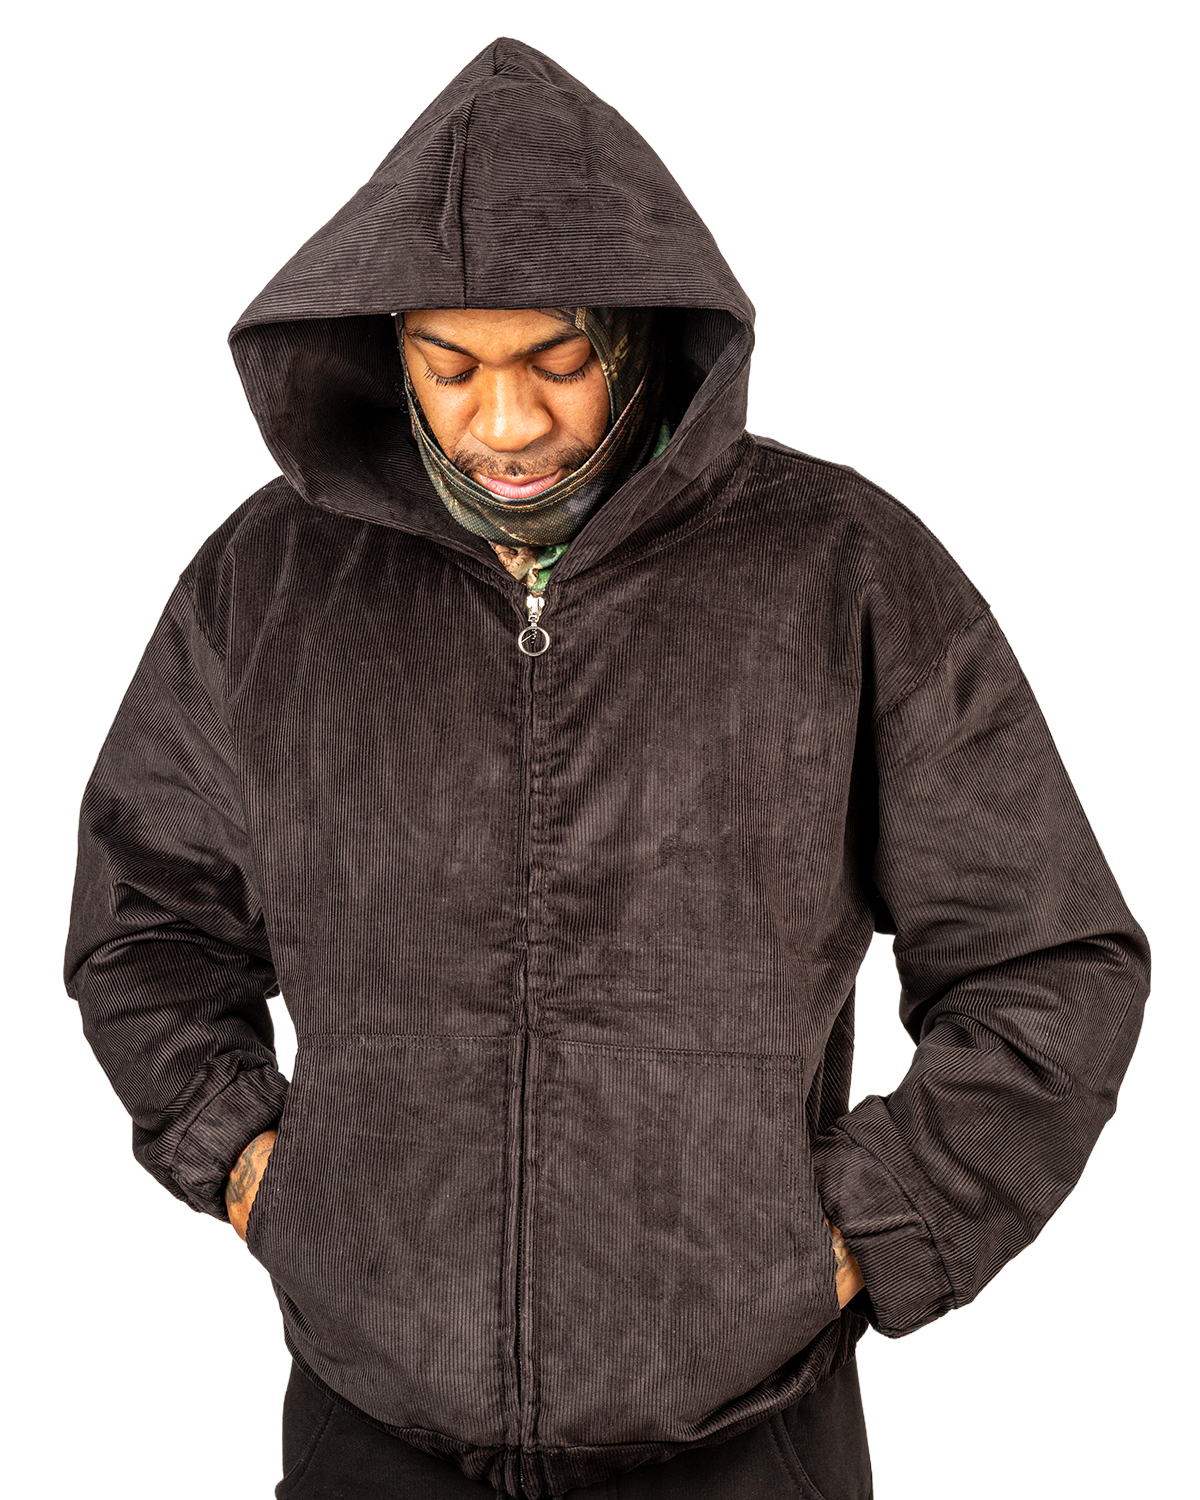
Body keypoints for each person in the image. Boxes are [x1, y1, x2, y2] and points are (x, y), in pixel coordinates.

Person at [65, 36, 1150, 1500]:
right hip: (369, 1427)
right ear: (388, 345)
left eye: (556, 362)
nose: (506, 424)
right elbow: (144, 924)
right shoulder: (266, 586)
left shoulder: (840, 569)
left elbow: (1051, 960)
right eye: (451, 367)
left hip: (748, 1434)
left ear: (639, 336)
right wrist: (258, 1168)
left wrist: (859, 1234)